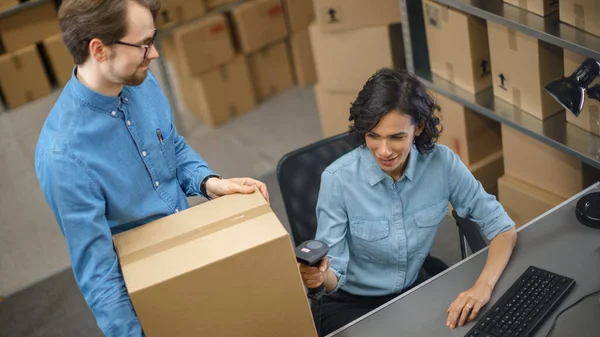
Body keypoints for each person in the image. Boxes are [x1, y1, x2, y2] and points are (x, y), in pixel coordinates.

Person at [34, 1, 269, 336]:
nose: (155, 54)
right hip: (155, 296)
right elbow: (100, 276)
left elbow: (171, 146)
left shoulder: (141, 81)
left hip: (194, 248)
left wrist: (209, 183)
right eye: (143, 45)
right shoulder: (62, 156)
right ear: (99, 50)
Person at [299, 68, 517, 335]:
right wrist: (321, 277)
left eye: (396, 137)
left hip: (412, 287)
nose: (384, 151)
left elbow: (502, 227)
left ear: (419, 127)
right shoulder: (337, 180)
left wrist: (483, 286)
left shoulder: (443, 164)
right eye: (373, 135)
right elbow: (335, 276)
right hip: (351, 303)